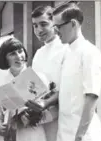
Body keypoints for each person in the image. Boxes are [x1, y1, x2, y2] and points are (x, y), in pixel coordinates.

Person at [52, 3, 101, 141]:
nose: (55, 32)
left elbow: (91, 97)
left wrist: (80, 135)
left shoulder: (90, 53)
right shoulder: (67, 53)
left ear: (73, 24)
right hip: (65, 131)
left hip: (83, 134)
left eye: (58, 27)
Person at [0, 36, 50, 141]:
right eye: (13, 54)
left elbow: (50, 110)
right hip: (8, 136)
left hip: (32, 134)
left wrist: (32, 117)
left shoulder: (38, 77)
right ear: (5, 58)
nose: (19, 56)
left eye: (20, 51)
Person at [31, 5, 68, 141]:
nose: (39, 30)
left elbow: (68, 87)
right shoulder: (39, 54)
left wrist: (46, 103)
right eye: (35, 25)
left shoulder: (65, 48)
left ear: (54, 23)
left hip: (64, 114)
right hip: (44, 117)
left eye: (43, 24)